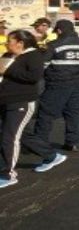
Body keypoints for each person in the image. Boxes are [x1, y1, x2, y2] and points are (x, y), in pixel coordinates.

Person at [22, 20, 79, 172]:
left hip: (56, 85)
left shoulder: (55, 45)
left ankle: (40, 144)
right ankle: (71, 142)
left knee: (45, 116)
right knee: (73, 115)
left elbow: (42, 66)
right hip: (77, 86)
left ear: (59, 30)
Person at [0, 30, 44, 189]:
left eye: (9, 41)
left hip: (21, 102)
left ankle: (7, 174)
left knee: (9, 138)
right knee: (17, 136)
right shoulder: (8, 55)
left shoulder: (33, 56)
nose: (6, 44)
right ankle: (51, 155)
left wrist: (7, 70)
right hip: (5, 101)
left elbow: (33, 77)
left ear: (20, 43)